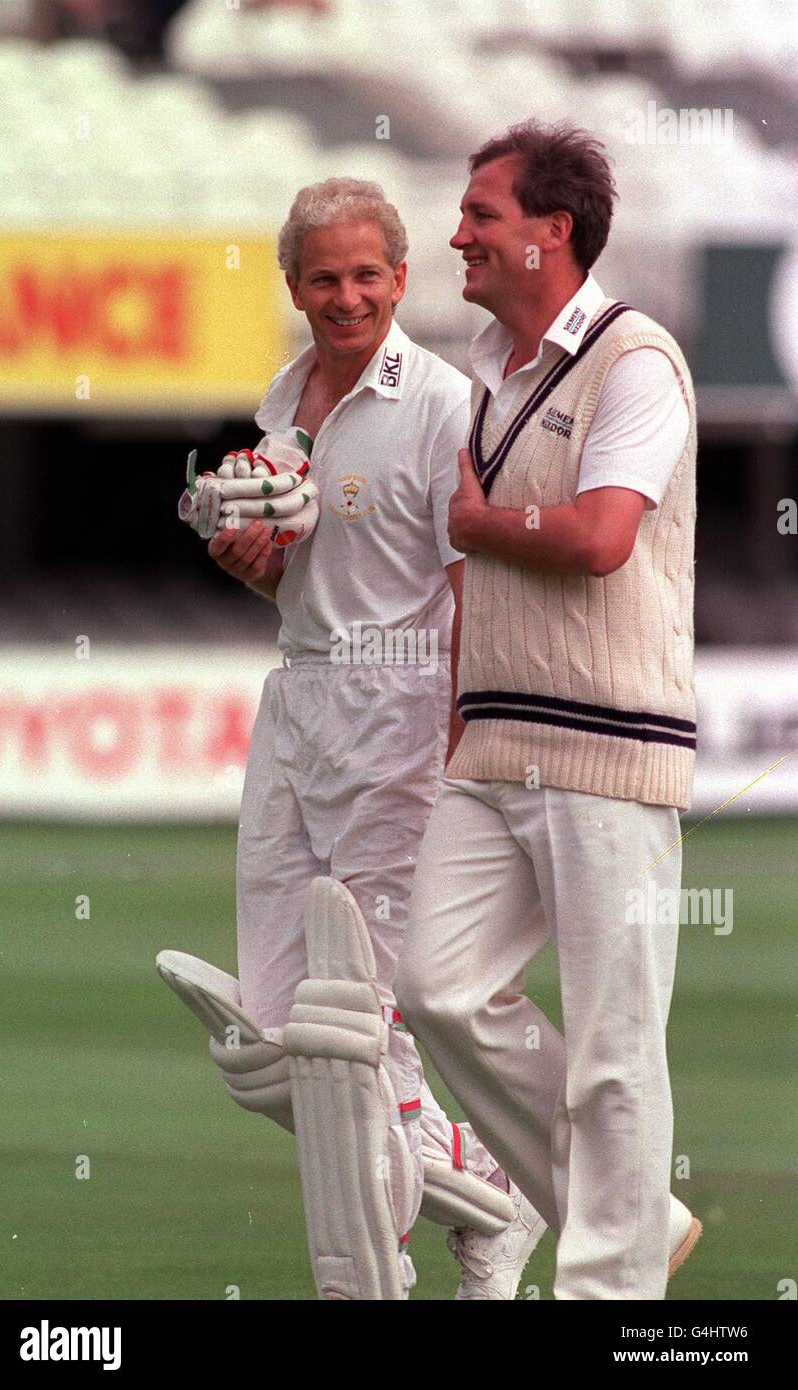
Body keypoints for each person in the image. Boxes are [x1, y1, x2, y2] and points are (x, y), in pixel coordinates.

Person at [157, 177, 547, 1300]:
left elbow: (473, 576)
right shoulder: (281, 409)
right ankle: (491, 1184)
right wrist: (247, 563)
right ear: (294, 285)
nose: (346, 297)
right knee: (284, 1030)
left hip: (403, 709)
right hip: (301, 702)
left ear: (400, 278)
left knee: (356, 1023)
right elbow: (289, 581)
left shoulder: (438, 400)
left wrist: (468, 725)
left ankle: (370, 1276)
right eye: (323, 277)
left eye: (366, 274)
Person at [396, 120, 701, 1300]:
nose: (459, 233)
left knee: (618, 1049)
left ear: (553, 233)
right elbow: (467, 570)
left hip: (608, 746)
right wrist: (457, 712)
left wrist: (481, 527)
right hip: (496, 743)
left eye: (482, 214)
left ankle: (612, 1297)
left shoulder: (637, 359)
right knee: (441, 985)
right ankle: (629, 1214)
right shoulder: (480, 365)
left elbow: (601, 538)